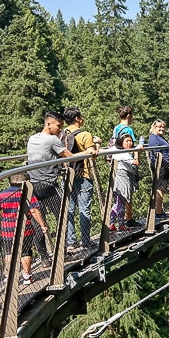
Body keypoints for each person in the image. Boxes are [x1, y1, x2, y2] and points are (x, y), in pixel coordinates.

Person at [27, 111, 96, 261]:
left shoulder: (32, 139)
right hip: (49, 186)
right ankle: (62, 255)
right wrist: (88, 152)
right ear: (48, 124)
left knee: (38, 222)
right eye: (58, 126)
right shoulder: (52, 140)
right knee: (62, 219)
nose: (60, 129)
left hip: (33, 186)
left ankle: (45, 258)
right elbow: (70, 157)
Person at [0, 172, 48, 285]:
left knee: (9, 252)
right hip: (25, 229)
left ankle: (8, 276)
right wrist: (43, 225)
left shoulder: (1, 195)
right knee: (25, 252)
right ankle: (26, 277)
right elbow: (34, 210)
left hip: (7, 230)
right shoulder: (27, 194)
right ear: (26, 182)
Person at [62, 107, 100, 252]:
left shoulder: (62, 134)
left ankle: (71, 242)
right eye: (81, 116)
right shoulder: (85, 135)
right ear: (77, 118)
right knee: (84, 209)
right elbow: (92, 154)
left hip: (66, 175)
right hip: (83, 175)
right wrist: (97, 143)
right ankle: (85, 242)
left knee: (69, 210)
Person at [111, 106, 140, 227]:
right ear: (128, 116)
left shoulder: (116, 128)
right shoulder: (128, 129)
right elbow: (132, 148)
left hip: (117, 165)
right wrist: (137, 153)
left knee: (119, 199)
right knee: (124, 197)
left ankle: (115, 222)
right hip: (125, 165)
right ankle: (126, 220)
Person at [109, 133, 139, 232]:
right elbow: (135, 162)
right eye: (127, 141)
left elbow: (106, 154)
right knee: (121, 201)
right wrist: (136, 152)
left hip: (116, 176)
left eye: (131, 141)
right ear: (121, 142)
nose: (129, 143)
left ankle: (112, 224)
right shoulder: (124, 153)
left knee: (117, 202)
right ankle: (120, 224)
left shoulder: (114, 149)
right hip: (123, 177)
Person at [148, 120, 169, 219]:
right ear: (154, 128)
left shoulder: (160, 137)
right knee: (159, 188)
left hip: (164, 165)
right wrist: (164, 161)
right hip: (160, 166)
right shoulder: (154, 138)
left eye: (163, 127)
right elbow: (156, 152)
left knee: (161, 188)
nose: (162, 129)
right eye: (159, 127)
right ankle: (158, 212)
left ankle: (160, 210)